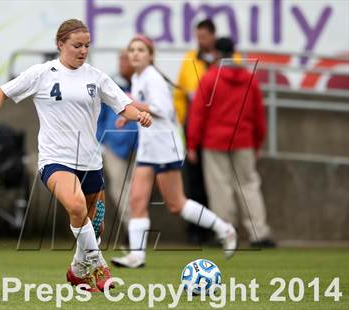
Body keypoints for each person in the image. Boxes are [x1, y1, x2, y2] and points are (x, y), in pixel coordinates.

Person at [0, 19, 152, 292]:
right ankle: (98, 266)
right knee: (76, 206)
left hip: (90, 161)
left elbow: (124, 106)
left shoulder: (96, 77)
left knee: (95, 227)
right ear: (60, 44)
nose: (83, 51)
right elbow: (0, 93)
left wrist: (139, 115)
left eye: (86, 45)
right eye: (77, 45)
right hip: (55, 159)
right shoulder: (42, 73)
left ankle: (77, 270)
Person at [111, 35, 237, 269]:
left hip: (165, 146)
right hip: (149, 147)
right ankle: (137, 256)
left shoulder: (152, 77)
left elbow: (162, 109)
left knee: (176, 204)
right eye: (132, 50)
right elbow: (144, 109)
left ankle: (225, 229)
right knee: (136, 199)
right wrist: (128, 118)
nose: (136, 54)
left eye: (141, 50)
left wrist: (131, 104)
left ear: (150, 55)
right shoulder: (139, 77)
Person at [187, 37, 275, 248]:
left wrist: (192, 143)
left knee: (220, 188)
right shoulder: (249, 78)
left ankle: (226, 234)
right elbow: (258, 114)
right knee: (249, 185)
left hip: (215, 142)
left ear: (216, 53)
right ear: (234, 52)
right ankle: (259, 233)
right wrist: (258, 142)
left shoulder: (209, 78)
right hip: (244, 140)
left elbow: (198, 113)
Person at [173, 19, 217, 244]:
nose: (200, 41)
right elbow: (180, 94)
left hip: (217, 129)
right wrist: (182, 120)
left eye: (204, 36)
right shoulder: (190, 59)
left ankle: (216, 228)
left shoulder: (228, 58)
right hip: (193, 127)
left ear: (213, 36)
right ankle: (196, 230)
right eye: (198, 36)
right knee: (194, 181)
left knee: (217, 183)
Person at [96, 49, 137, 241]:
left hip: (141, 145)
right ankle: (132, 227)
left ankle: (138, 227)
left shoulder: (144, 83)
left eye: (127, 60)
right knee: (120, 188)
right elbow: (99, 117)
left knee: (138, 189)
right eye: (121, 60)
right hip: (115, 144)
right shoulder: (110, 84)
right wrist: (101, 141)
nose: (123, 64)